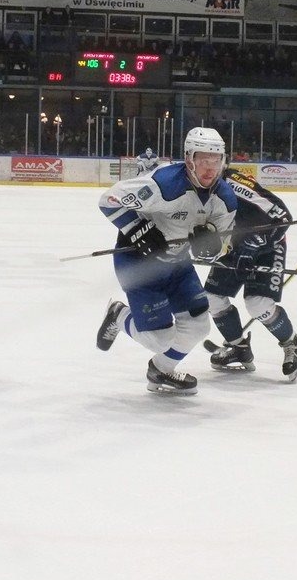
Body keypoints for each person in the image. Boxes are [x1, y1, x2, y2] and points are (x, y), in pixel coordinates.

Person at [96, 127, 237, 395]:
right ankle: (119, 314)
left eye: (215, 160)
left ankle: (161, 371)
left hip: (177, 264)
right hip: (140, 265)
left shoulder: (225, 200)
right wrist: (140, 231)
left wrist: (211, 247)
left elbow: (223, 247)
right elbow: (109, 200)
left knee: (198, 326)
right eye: (203, 160)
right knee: (160, 339)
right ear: (188, 159)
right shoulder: (163, 184)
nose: (210, 168)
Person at [203, 168, 297, 381]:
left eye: (211, 160)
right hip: (234, 246)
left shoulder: (232, 183)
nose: (206, 166)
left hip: (269, 246)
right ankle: (239, 348)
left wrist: (252, 247)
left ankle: (293, 346)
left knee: (258, 304)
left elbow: (282, 216)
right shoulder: (190, 189)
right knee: (211, 298)